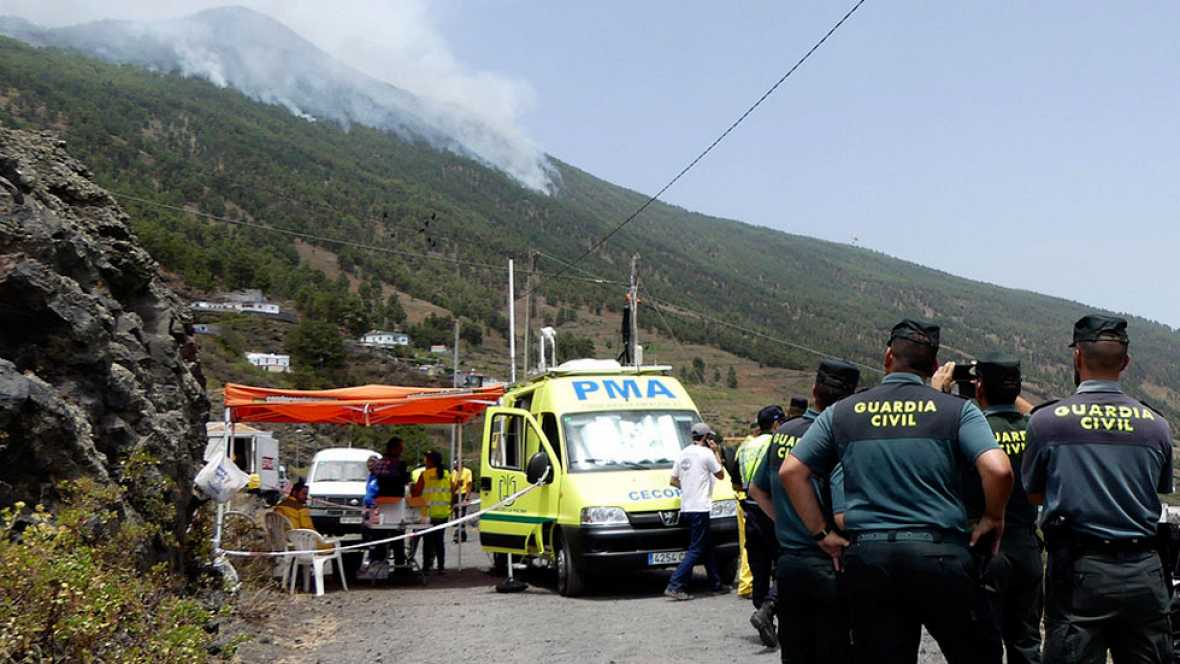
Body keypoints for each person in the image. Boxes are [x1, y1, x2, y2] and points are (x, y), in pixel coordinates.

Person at [781, 319, 1013, 664]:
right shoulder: (957, 410)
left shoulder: (841, 412)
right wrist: (993, 517)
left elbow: (792, 471)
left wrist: (822, 534)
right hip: (941, 556)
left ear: (888, 356)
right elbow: (999, 469)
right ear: (935, 366)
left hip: (869, 560)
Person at [1023, 315, 1174, 664]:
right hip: (1145, 571)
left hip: (1079, 572)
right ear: (1125, 362)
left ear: (1077, 356)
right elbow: (1159, 488)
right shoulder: (1157, 426)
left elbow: (1033, 494)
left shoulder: (1046, 421)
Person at [934, 353, 1042, 664]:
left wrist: (941, 391)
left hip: (981, 543)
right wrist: (1003, 384)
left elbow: (938, 427)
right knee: (1026, 643)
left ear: (979, 388)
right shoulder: (1036, 428)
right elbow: (1037, 414)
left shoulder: (970, 429)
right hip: (1026, 546)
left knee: (981, 643)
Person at [750, 359, 860, 664]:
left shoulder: (784, 433)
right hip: (830, 565)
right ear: (850, 399)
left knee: (796, 652)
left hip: (788, 565)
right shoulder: (836, 438)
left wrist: (785, 521)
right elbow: (842, 511)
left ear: (814, 391)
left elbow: (757, 490)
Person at [738, 404, 787, 647]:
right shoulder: (775, 443)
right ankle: (769, 611)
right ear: (777, 423)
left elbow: (737, 478)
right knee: (784, 564)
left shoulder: (746, 445)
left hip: (749, 512)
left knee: (759, 569)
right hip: (770, 509)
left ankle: (763, 618)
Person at [665, 422, 729, 600]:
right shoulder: (707, 453)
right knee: (696, 548)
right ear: (706, 438)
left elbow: (673, 480)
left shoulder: (683, 453)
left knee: (706, 545)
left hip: (687, 506)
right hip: (701, 507)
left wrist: (688, 487)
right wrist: (716, 451)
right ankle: (675, 585)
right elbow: (721, 474)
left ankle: (715, 584)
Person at [364, 436, 411, 569]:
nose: (402, 451)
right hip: (396, 502)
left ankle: (379, 565)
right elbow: (402, 479)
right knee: (397, 537)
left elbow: (379, 477)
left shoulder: (379, 463)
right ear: (395, 448)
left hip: (382, 502)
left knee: (381, 537)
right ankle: (399, 566)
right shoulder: (400, 464)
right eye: (401, 448)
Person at [413, 450, 452, 574]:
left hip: (429, 513)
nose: (425, 460)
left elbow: (416, 493)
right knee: (439, 541)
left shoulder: (425, 475)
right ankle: (441, 567)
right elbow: (453, 489)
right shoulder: (447, 474)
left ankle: (426, 567)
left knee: (428, 541)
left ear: (430, 461)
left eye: (426, 458)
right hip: (443, 513)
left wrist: (412, 488)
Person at [274, 479, 333, 550]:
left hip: (281, 541)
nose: (306, 497)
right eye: (304, 494)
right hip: (301, 542)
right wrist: (321, 538)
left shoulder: (279, 506)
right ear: (295, 493)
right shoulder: (301, 509)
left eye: (307, 494)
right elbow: (309, 528)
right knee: (332, 545)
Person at [451, 460, 473, 543]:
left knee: (462, 514)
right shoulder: (454, 472)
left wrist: (466, 498)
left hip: (463, 495)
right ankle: (463, 535)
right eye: (455, 465)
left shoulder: (467, 472)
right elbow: (453, 487)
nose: (455, 467)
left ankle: (457, 535)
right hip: (456, 495)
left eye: (457, 465)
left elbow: (469, 485)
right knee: (457, 515)